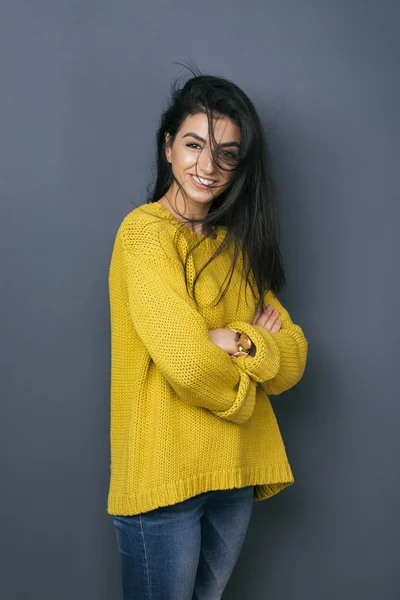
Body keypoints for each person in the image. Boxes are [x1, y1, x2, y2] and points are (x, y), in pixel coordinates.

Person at [107, 68, 309, 600]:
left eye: (226, 153)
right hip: (163, 476)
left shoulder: (238, 246)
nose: (207, 166)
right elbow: (188, 362)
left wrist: (238, 340)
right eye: (194, 144)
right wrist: (246, 366)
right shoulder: (143, 233)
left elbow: (293, 356)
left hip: (234, 472)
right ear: (168, 146)